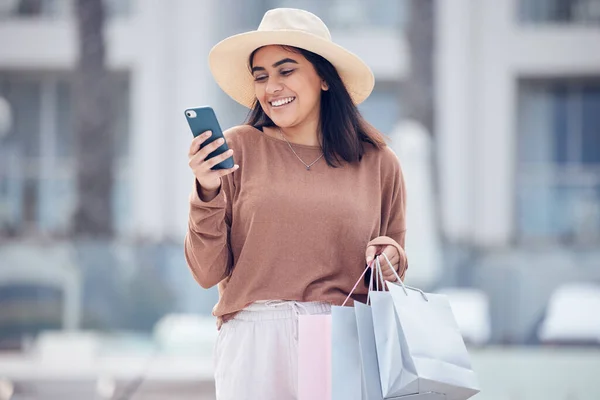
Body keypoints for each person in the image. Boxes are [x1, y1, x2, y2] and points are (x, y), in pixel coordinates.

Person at [184, 8, 408, 400]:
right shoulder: (239, 148)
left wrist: (389, 257)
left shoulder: (378, 162)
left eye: (285, 71)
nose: (272, 87)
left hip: (343, 341)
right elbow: (207, 273)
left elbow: (395, 261)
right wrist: (206, 189)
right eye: (261, 76)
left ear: (323, 77)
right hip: (254, 343)